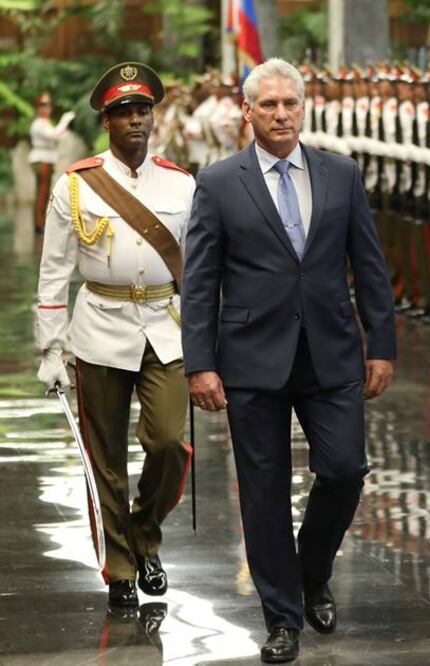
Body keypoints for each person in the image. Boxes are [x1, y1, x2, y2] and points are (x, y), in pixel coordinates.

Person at [181, 57, 396, 663]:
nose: (280, 114)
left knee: (346, 468)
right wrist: (200, 363)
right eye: (268, 104)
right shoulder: (220, 182)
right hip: (251, 358)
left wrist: (381, 344)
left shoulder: (340, 174)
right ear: (246, 111)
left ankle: (311, 569)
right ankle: (283, 617)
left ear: (304, 107)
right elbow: (200, 282)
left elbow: (371, 265)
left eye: (290, 104)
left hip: (330, 353)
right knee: (263, 491)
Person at [35, 61, 193, 608]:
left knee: (169, 441)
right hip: (100, 326)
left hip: (165, 329)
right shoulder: (76, 185)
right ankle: (122, 563)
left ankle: (145, 536)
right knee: (104, 457)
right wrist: (51, 346)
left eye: (142, 110)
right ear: (107, 122)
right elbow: (54, 271)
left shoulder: (180, 183)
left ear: (154, 117)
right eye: (122, 112)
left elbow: (196, 266)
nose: (134, 120)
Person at [28, 92, 75, 232]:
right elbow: (54, 135)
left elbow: (57, 136)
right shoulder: (38, 124)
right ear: (38, 108)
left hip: (47, 159)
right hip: (41, 159)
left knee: (44, 192)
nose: (46, 108)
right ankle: (39, 224)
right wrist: (65, 120)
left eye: (48, 105)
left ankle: (40, 223)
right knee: (42, 193)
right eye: (43, 105)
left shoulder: (46, 123)